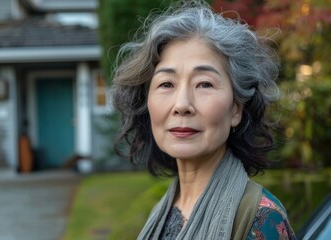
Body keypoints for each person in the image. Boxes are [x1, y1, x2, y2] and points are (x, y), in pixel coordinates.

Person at [111, 0, 296, 239]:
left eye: (204, 84)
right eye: (166, 84)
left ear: (236, 109)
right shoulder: (163, 211)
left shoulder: (260, 220)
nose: (182, 105)